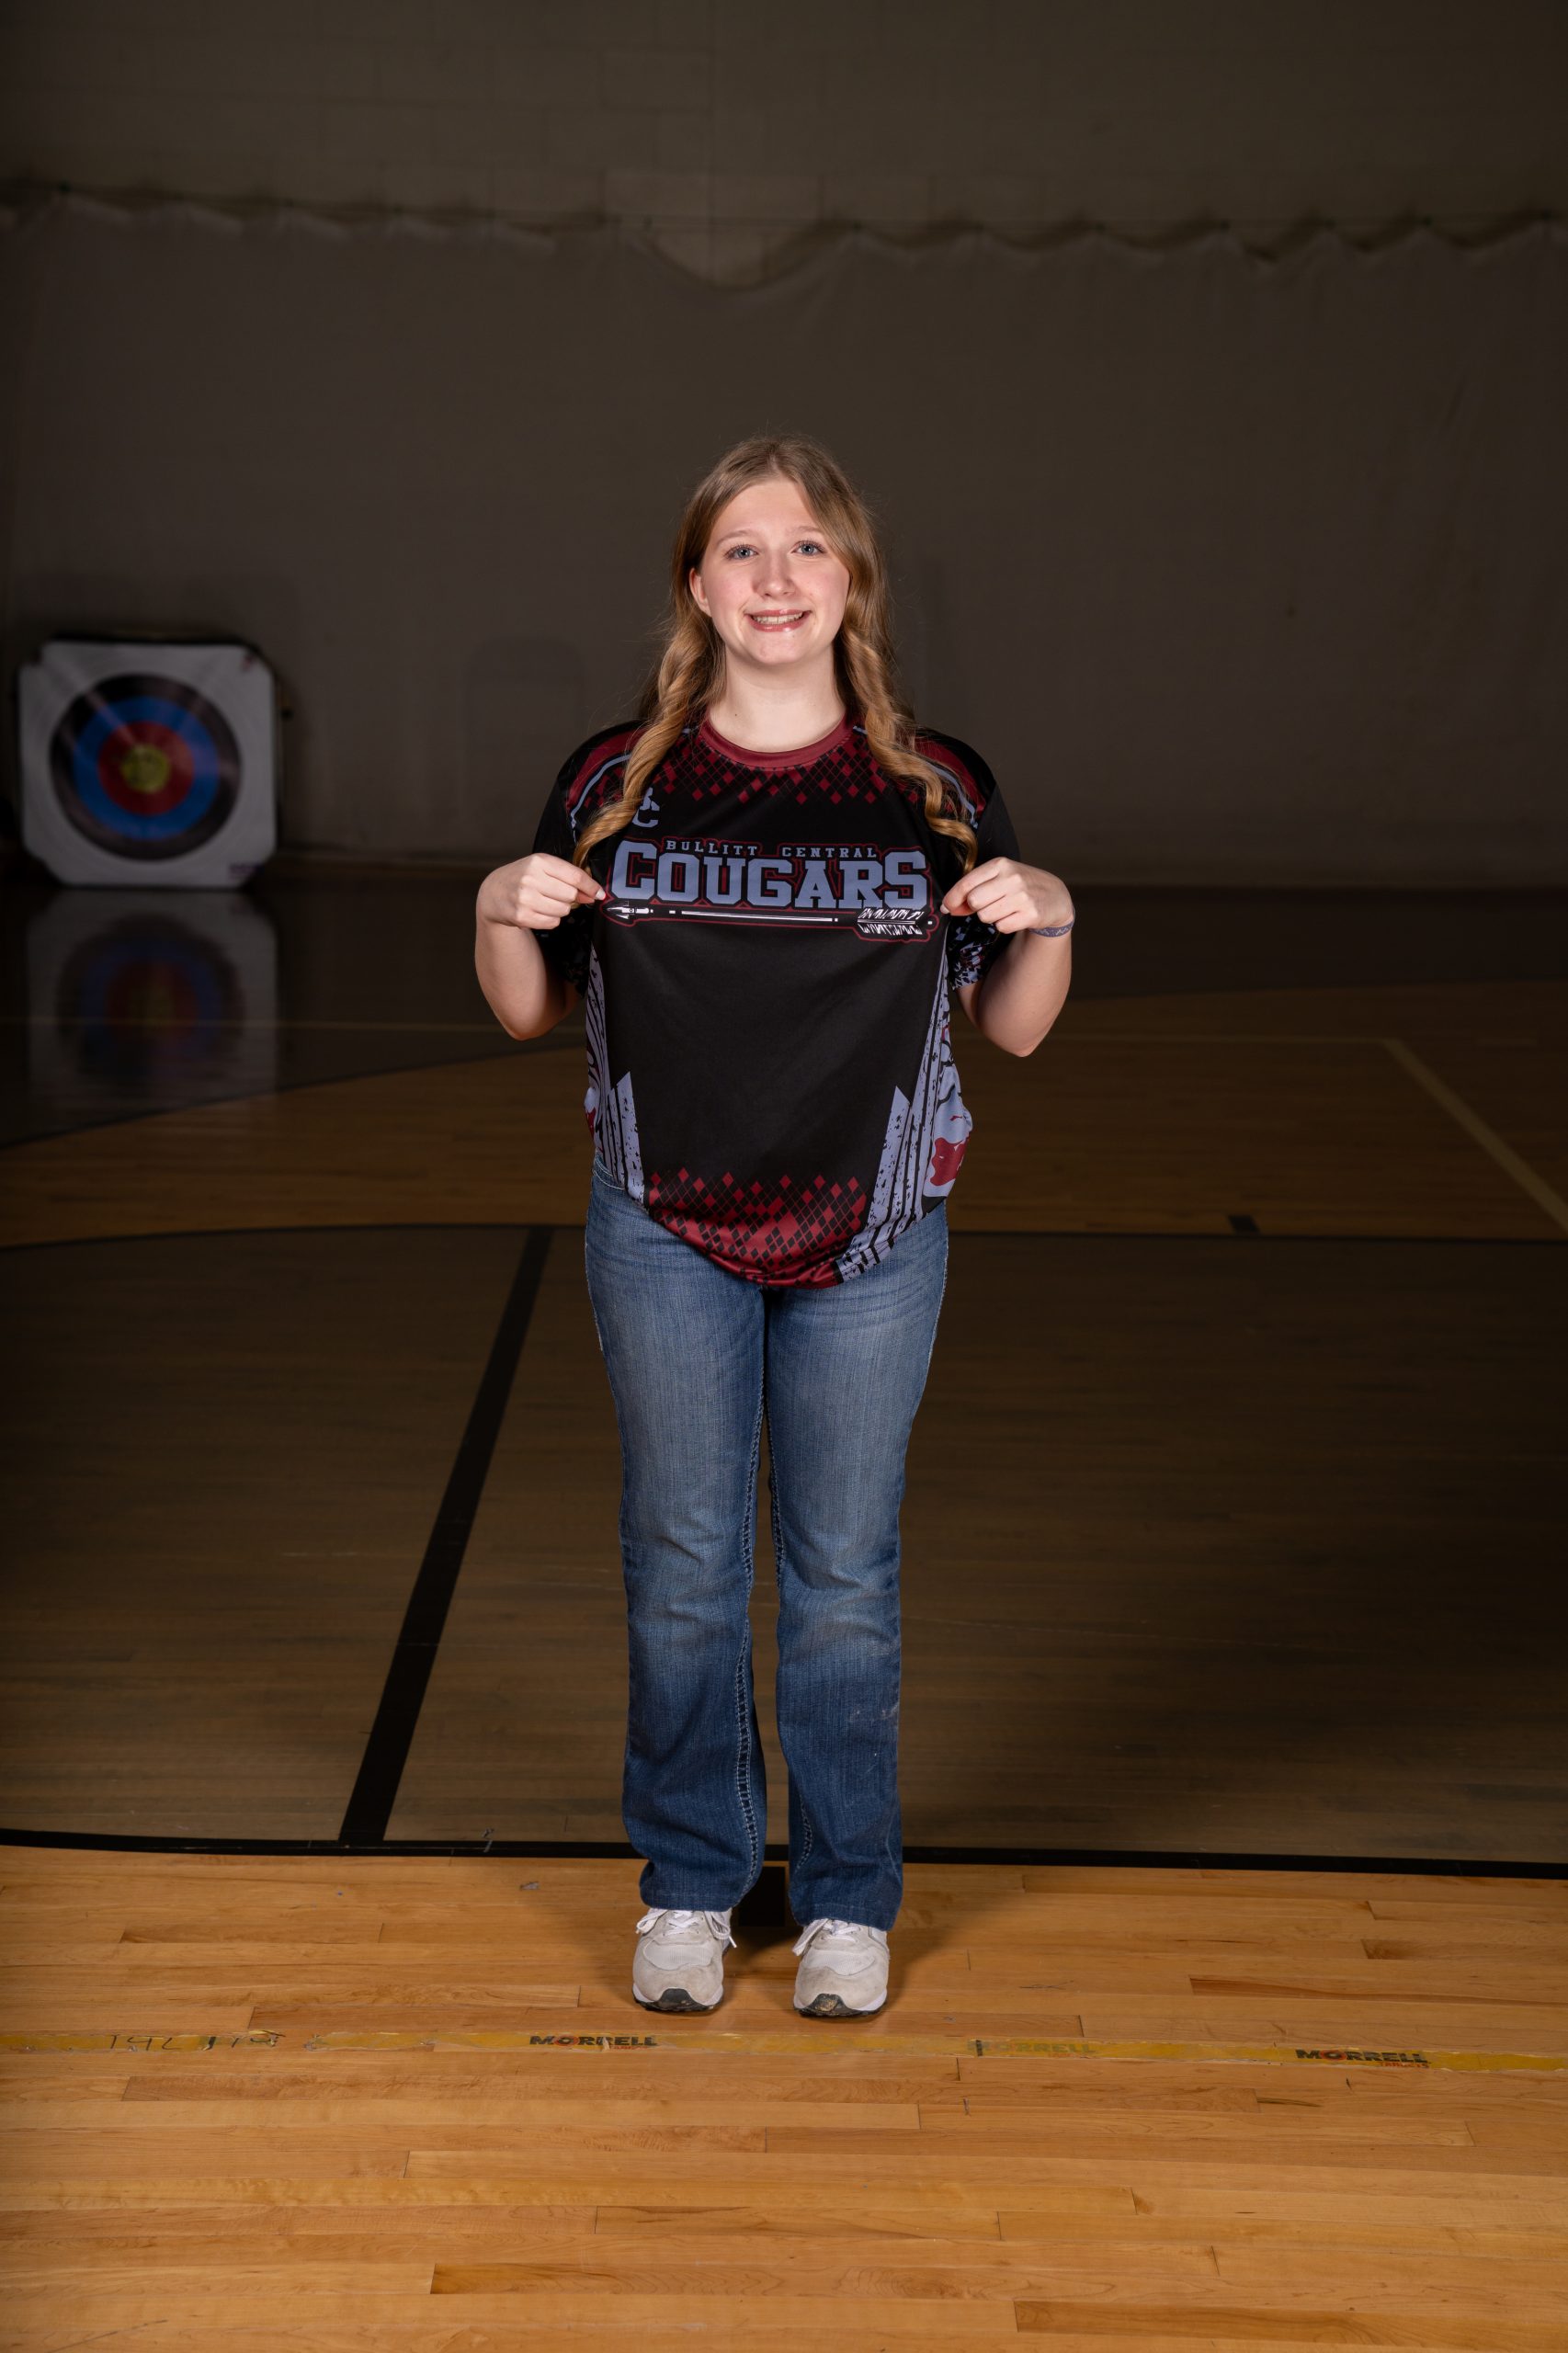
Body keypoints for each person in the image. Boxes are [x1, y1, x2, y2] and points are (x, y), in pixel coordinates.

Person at [474, 433, 1074, 2018]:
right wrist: (491, 909)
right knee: (681, 1563)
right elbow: (528, 1008)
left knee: (843, 1574)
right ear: (696, 583)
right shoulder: (616, 779)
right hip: (662, 1222)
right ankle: (690, 1883)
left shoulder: (933, 787)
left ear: (851, 578)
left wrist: (1053, 914)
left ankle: (847, 1902)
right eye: (742, 548)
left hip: (873, 1234)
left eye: (807, 546)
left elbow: (1014, 1028)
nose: (775, 577)